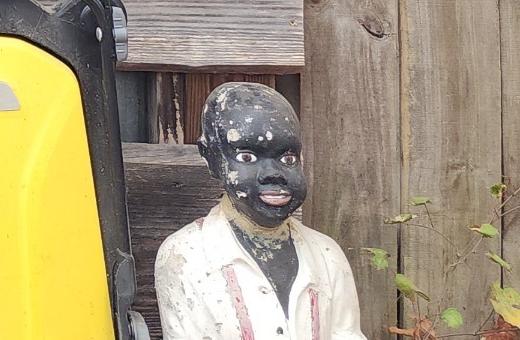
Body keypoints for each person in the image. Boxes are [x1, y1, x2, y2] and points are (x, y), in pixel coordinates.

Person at [156, 83, 366, 340]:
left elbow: (346, 333)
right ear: (212, 158)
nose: (273, 173)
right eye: (247, 157)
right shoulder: (186, 256)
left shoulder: (327, 254)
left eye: (288, 158)